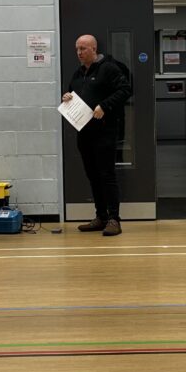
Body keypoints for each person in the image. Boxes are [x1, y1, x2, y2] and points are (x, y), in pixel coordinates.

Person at [62, 34, 132, 236]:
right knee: (93, 176)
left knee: (106, 175)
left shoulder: (109, 68)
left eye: (83, 49)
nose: (79, 53)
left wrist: (105, 106)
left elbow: (125, 89)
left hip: (105, 131)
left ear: (94, 49)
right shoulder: (78, 74)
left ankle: (114, 219)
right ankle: (100, 216)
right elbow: (73, 94)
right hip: (84, 132)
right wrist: (67, 97)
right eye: (77, 49)